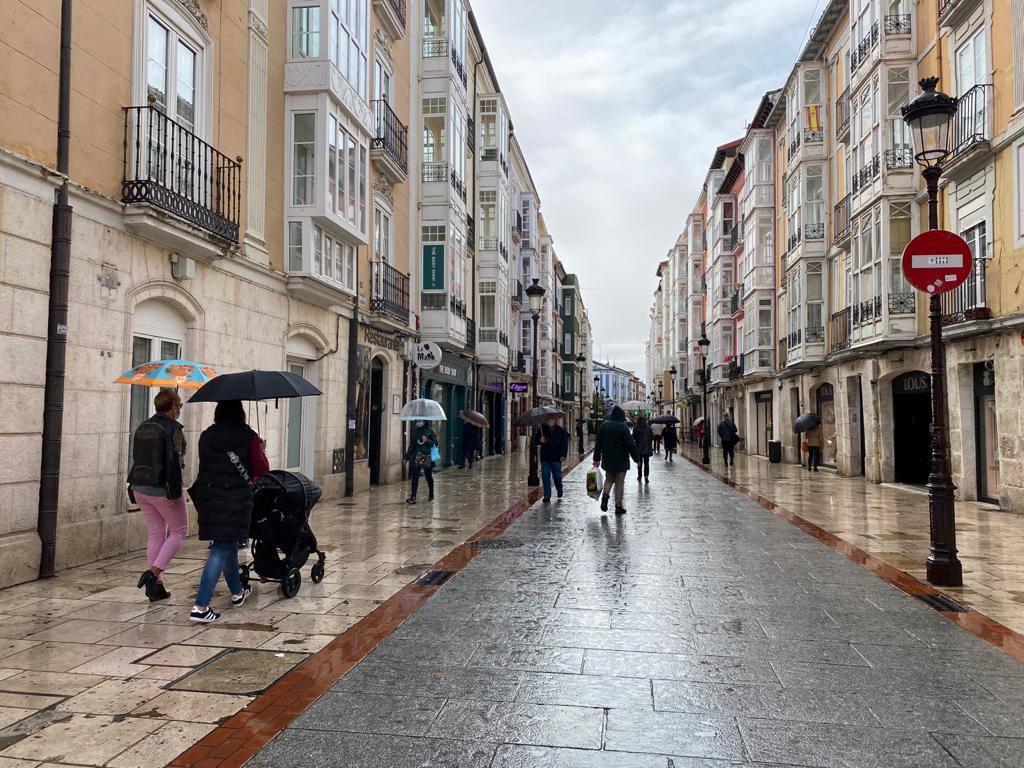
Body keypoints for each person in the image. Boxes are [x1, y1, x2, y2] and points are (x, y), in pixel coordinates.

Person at [187, 400, 268, 623]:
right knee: (222, 546)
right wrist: (260, 450)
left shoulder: (206, 435)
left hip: (209, 496)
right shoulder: (248, 436)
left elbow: (207, 464)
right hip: (234, 498)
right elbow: (261, 470)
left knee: (228, 543)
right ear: (240, 413)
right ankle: (201, 607)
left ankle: (237, 592)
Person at [128, 389, 187, 602]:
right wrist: (174, 489)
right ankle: (153, 574)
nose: (179, 409)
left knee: (156, 532)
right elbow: (175, 459)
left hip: (139, 485)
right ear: (171, 407)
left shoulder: (143, 425)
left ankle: (157, 587)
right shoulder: (173, 428)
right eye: (178, 405)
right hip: (163, 487)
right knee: (180, 531)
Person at [593, 406, 640, 515]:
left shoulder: (603, 426)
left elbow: (598, 444)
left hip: (607, 458)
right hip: (621, 460)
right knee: (619, 482)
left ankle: (605, 495)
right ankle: (618, 506)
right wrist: (637, 459)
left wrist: (596, 458)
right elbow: (631, 445)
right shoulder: (623, 427)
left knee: (609, 479)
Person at [533, 416, 570, 503]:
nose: (550, 420)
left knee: (557, 476)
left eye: (552, 418)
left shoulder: (561, 431)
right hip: (545, 458)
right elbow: (535, 441)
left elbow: (565, 444)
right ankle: (547, 495)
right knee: (545, 477)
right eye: (549, 418)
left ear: (555, 420)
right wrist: (539, 440)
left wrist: (563, 455)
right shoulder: (542, 430)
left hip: (556, 458)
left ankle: (559, 488)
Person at [406, 420, 438, 503]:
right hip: (417, 456)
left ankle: (431, 493)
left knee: (428, 476)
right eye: (417, 420)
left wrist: (426, 441)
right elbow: (412, 446)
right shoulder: (415, 431)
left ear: (424, 421)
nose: (418, 421)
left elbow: (435, 443)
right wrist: (406, 458)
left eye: (420, 420)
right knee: (415, 476)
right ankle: (413, 497)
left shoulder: (430, 430)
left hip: (426, 456)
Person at [631, 416, 653, 484]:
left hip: (638, 449)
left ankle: (639, 476)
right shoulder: (648, 428)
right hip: (647, 448)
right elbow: (652, 437)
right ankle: (646, 476)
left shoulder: (636, 428)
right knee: (646, 463)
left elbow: (633, 438)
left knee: (639, 463)